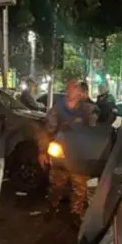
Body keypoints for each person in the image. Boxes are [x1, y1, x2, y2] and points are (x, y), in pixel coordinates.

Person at [42, 78, 97, 219]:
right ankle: (52, 207)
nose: (69, 90)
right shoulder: (58, 108)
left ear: (80, 92)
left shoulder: (88, 109)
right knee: (56, 184)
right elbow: (48, 130)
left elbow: (95, 129)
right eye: (69, 87)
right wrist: (43, 150)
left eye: (73, 87)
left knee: (79, 189)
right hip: (60, 155)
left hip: (79, 156)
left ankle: (76, 213)